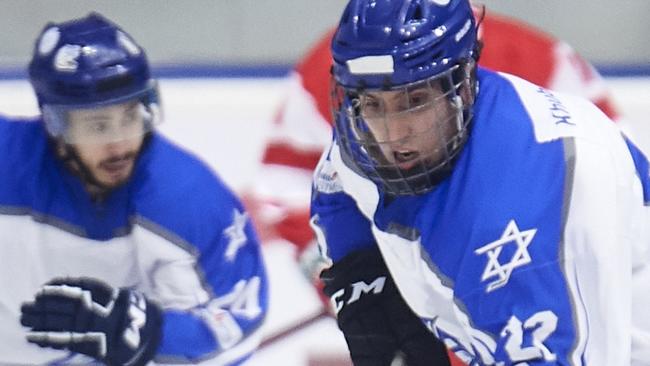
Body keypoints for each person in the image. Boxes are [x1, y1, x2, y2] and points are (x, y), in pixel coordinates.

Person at [311, 0, 650, 364]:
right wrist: (363, 273)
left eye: (416, 101)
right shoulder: (363, 137)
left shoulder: (530, 204)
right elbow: (337, 186)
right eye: (374, 104)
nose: (393, 134)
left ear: (463, 86)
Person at [245, 4, 621, 257]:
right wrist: (348, 273)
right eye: (376, 105)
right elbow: (284, 190)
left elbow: (615, 175)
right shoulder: (337, 63)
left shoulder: (535, 57)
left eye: (415, 100)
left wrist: (530, 253)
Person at [1, 13, 268, 365]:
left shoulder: (187, 199)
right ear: (56, 125)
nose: (120, 144)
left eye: (130, 117)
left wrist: (150, 331)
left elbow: (237, 323)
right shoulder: (10, 160)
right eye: (98, 126)